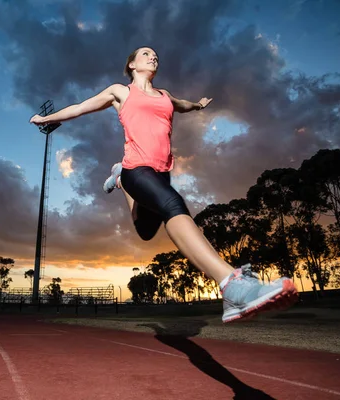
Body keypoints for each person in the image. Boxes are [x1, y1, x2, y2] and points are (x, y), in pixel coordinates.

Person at [30, 47, 298, 322]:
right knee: (174, 205)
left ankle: (119, 178)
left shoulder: (164, 95)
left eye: (155, 55)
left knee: (146, 231)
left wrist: (198, 105)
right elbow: (79, 108)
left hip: (161, 172)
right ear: (132, 64)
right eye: (145, 54)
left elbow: (182, 105)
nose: (153, 57)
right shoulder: (121, 92)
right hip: (139, 168)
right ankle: (231, 284)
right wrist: (46, 119)